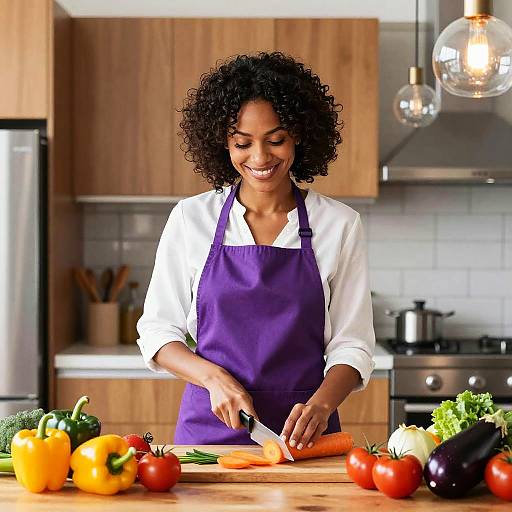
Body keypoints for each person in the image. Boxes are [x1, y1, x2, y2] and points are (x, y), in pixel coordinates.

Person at [137, 52, 375, 451]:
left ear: (300, 134)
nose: (260, 158)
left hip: (306, 439)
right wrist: (214, 379)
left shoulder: (339, 224)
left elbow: (352, 344)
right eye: (242, 143)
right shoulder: (191, 218)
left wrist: (322, 404)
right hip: (210, 438)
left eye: (276, 140)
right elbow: (158, 332)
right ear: (222, 144)